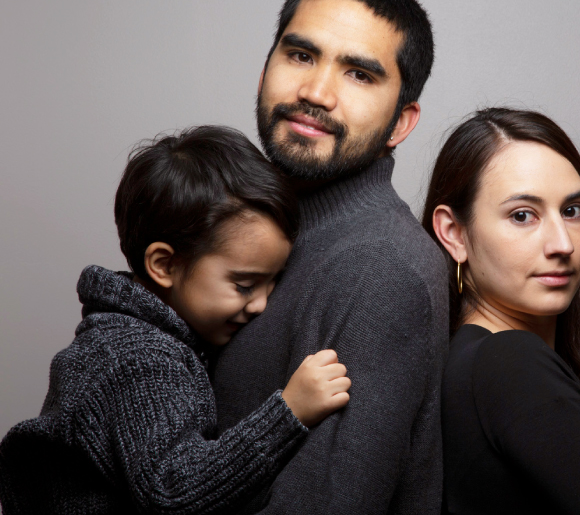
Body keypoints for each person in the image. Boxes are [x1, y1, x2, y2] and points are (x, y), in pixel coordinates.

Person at [0, 126, 351, 514]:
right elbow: (173, 491)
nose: (261, 305)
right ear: (164, 265)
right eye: (245, 284)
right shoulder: (136, 359)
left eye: (273, 283)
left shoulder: (140, 337)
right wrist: (289, 412)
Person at [211, 0, 449, 514]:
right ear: (265, 68)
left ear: (401, 123)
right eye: (300, 56)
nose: (315, 93)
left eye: (360, 75)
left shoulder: (384, 272)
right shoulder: (241, 231)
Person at [424, 107, 580, 514]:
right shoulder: (509, 364)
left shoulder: (465, 362)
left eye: (572, 211)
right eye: (522, 215)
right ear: (454, 233)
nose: (562, 244)